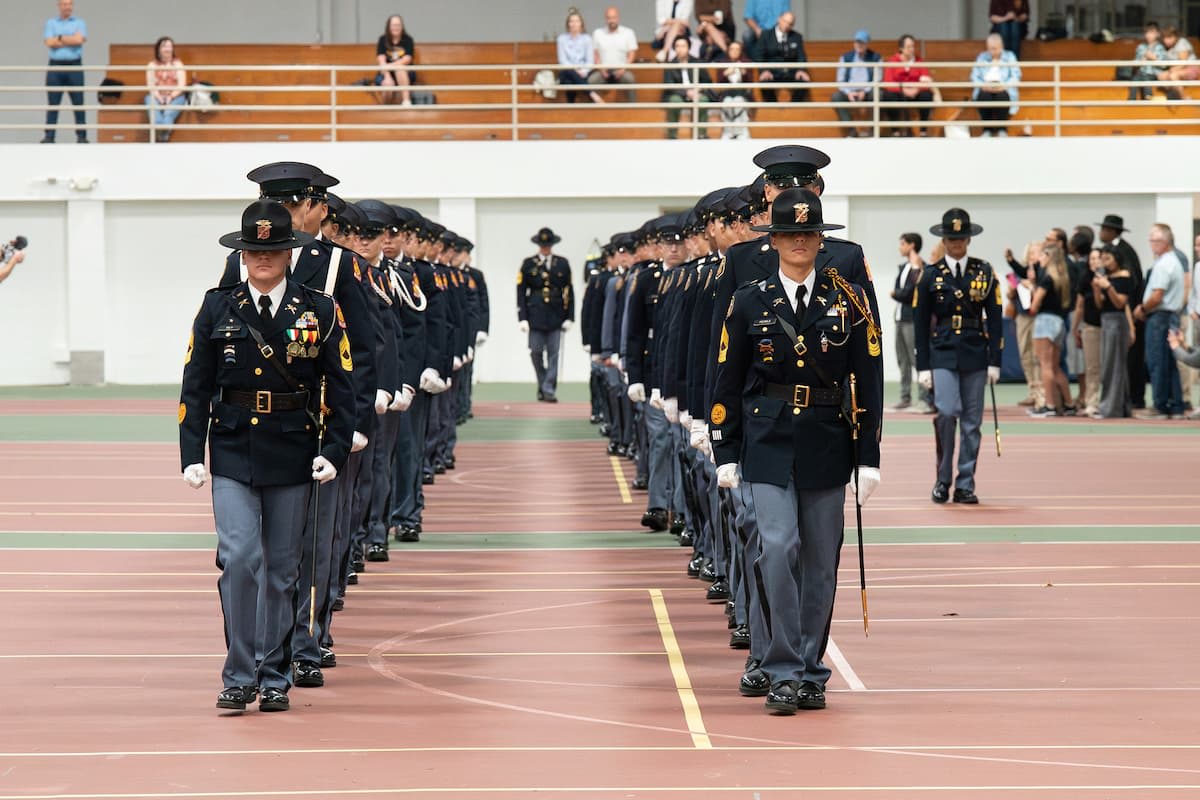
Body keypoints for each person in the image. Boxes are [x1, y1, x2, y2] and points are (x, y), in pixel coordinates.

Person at [710, 187, 882, 714]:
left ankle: (810, 669)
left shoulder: (849, 299)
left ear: (819, 239)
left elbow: (869, 380)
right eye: (790, 233)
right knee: (778, 547)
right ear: (775, 239)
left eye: (808, 233)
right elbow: (727, 378)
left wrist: (869, 456)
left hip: (827, 440)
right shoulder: (749, 299)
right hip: (767, 440)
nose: (799, 241)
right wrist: (724, 449)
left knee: (821, 563)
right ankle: (781, 667)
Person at [179, 200, 355, 713]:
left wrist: (334, 450)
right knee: (239, 559)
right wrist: (191, 451)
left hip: (293, 450)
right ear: (242, 254)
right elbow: (195, 384)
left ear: (288, 254)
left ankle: (273, 675)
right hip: (232, 449)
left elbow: (342, 387)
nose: (263, 258)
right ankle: (239, 673)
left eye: (273, 250)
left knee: (281, 570)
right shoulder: (217, 307)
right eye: (254, 250)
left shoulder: (319, 310)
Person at [915, 208, 1002, 505]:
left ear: (969, 239)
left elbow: (996, 319)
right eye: (951, 238)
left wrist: (995, 361)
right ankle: (942, 479)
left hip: (976, 352)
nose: (956, 243)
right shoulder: (930, 274)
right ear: (944, 240)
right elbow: (920, 323)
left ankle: (965, 483)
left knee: (972, 422)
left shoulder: (984, 271)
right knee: (947, 412)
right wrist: (922, 366)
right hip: (942, 352)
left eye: (961, 237)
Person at [1133, 223, 1186, 419]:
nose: (1151, 244)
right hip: (1170, 315)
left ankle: (1160, 405)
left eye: (1154, 240)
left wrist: (1142, 308)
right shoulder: (1173, 261)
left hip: (1160, 316)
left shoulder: (1164, 264)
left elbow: (1157, 296)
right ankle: (1175, 405)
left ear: (1164, 242)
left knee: (1158, 362)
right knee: (1169, 363)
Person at [517, 227, 574, 402]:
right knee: (535, 352)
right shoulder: (528, 264)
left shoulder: (562, 263)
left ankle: (548, 389)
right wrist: (522, 318)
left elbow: (569, 291)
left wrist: (570, 317)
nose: (545, 248)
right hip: (535, 315)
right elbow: (521, 292)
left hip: (556, 315)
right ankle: (543, 383)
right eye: (543, 245)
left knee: (554, 354)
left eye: (548, 245)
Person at [1096, 214, 1145, 408]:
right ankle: (1124, 400)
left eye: (1104, 229)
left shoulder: (1124, 252)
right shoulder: (1117, 250)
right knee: (1117, 361)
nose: (1101, 233)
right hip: (1118, 311)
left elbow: (1131, 285)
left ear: (1112, 232)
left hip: (1125, 312)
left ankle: (1132, 399)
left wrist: (1131, 317)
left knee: (1125, 360)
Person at [1027, 245, 1075, 416]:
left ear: (1048, 257)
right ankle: (1069, 404)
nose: (1039, 258)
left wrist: (1032, 287)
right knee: (1055, 366)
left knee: (1045, 365)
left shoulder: (1047, 279)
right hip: (1058, 322)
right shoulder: (1062, 279)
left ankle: (1050, 405)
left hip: (1045, 321)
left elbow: (1035, 304)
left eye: (1042, 255)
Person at [1092, 245, 1134, 418]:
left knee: (1113, 366)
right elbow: (1099, 304)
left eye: (1108, 259)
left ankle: (1110, 408)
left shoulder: (1124, 277)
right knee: (1111, 364)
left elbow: (1120, 303)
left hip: (1117, 322)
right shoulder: (1106, 277)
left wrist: (1108, 287)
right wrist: (1097, 288)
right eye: (1103, 259)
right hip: (1106, 320)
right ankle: (1121, 406)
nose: (1105, 263)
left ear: (1117, 259)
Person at [891, 232, 929, 411]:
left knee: (916, 359)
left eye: (903, 244)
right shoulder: (904, 267)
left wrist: (896, 294)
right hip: (900, 318)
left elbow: (909, 293)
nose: (900, 248)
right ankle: (905, 397)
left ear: (912, 245)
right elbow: (902, 291)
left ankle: (925, 398)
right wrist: (899, 293)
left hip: (911, 319)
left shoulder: (920, 267)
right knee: (903, 360)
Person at [42, 0, 88, 144]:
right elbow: (49, 42)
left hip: (74, 65)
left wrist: (60, 37)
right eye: (64, 4)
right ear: (59, 6)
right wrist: (70, 38)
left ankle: (82, 137)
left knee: (78, 102)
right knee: (53, 103)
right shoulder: (51, 23)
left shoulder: (79, 22)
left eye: (70, 4)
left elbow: (79, 40)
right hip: (55, 66)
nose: (67, 7)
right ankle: (49, 137)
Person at [1072, 246, 1104, 416]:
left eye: (1097, 258)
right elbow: (1079, 306)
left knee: (1108, 366)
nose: (1094, 262)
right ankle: (1092, 401)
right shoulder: (1085, 278)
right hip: (1091, 327)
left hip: (1108, 327)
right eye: (1091, 259)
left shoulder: (1109, 278)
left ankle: (1109, 401)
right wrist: (1075, 327)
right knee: (1092, 367)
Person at [881, 34, 934, 136]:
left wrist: (917, 89)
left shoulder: (919, 61)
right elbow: (888, 82)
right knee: (888, 96)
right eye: (909, 47)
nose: (912, 49)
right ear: (901, 48)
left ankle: (923, 131)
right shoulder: (893, 61)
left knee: (927, 96)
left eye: (913, 46)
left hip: (916, 92)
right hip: (899, 92)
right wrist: (902, 89)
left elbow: (926, 79)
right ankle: (895, 131)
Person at [662, 36, 715, 138]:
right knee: (674, 101)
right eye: (677, 46)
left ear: (688, 48)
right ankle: (672, 135)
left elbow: (707, 81)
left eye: (683, 46)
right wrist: (686, 92)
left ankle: (701, 134)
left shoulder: (697, 62)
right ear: (674, 48)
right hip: (678, 94)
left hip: (696, 92)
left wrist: (697, 90)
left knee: (703, 100)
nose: (680, 49)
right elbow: (669, 85)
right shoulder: (670, 65)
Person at [751, 11, 810, 103]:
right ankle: (773, 107)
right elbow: (759, 55)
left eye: (790, 24)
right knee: (765, 82)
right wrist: (764, 70)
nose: (787, 25)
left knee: (803, 82)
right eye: (785, 21)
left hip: (791, 72)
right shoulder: (766, 35)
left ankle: (793, 107)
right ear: (779, 19)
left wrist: (801, 70)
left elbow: (801, 56)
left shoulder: (797, 36)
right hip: (772, 72)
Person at [831, 29, 881, 137]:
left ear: (867, 44)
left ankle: (872, 131)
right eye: (857, 42)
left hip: (868, 91)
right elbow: (840, 80)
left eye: (862, 42)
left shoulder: (875, 57)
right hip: (850, 92)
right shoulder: (845, 57)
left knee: (878, 94)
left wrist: (865, 91)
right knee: (836, 97)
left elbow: (878, 79)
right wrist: (848, 92)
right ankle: (851, 130)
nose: (859, 45)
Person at [971, 33, 1020, 137]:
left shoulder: (1010, 56)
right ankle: (987, 130)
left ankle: (1002, 130)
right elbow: (974, 76)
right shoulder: (982, 57)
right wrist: (983, 85)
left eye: (994, 48)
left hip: (1004, 88)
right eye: (989, 48)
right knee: (984, 96)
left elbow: (1016, 76)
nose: (992, 51)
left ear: (1001, 46)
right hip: (985, 88)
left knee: (1002, 96)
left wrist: (1004, 86)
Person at [588, 6, 638, 103]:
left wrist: (623, 69)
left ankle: (633, 107)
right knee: (591, 81)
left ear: (618, 18)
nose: (611, 20)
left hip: (622, 70)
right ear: (605, 19)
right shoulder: (597, 33)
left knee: (630, 79)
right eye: (609, 18)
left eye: (614, 17)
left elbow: (632, 54)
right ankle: (594, 109)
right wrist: (601, 69)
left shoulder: (628, 32)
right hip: (603, 70)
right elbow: (595, 54)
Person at [144, 36, 188, 143]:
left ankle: (162, 135)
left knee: (169, 111)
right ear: (158, 49)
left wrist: (171, 96)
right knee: (150, 101)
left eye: (170, 46)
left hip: (176, 96)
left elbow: (182, 85)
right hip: (157, 95)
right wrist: (159, 97)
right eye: (164, 46)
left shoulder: (178, 64)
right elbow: (151, 85)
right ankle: (161, 129)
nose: (168, 49)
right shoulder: (152, 65)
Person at [557, 9, 601, 103]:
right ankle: (592, 94)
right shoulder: (561, 39)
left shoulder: (587, 39)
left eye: (577, 21)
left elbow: (590, 61)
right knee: (568, 72)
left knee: (570, 81)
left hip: (583, 72)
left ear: (581, 24)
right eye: (571, 21)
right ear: (568, 24)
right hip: (566, 71)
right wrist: (575, 70)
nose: (574, 24)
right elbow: (562, 60)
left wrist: (583, 71)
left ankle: (571, 107)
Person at [375, 15, 416, 105]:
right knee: (387, 85)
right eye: (393, 25)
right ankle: (386, 108)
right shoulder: (383, 39)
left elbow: (407, 59)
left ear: (402, 26)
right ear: (389, 27)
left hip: (405, 73)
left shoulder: (408, 40)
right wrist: (387, 76)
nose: (396, 28)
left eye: (398, 25)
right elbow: (381, 60)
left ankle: (406, 101)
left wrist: (390, 66)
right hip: (386, 72)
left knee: (400, 68)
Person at [1127, 22, 1167, 101]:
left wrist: (1154, 58)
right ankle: (1132, 99)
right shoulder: (1141, 47)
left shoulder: (1160, 47)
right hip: (1141, 72)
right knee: (1135, 78)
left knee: (1144, 76)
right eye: (1146, 32)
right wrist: (1141, 61)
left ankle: (1148, 96)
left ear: (1158, 34)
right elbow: (1135, 63)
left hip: (1154, 73)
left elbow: (1164, 65)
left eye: (1151, 32)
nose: (1148, 35)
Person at [1157, 26, 1198, 100]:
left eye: (1169, 37)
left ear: (1175, 36)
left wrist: (1172, 69)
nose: (1167, 40)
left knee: (1173, 75)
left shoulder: (1181, 42)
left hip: (1191, 68)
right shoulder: (1166, 47)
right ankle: (1173, 95)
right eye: (1165, 38)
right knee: (1161, 76)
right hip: (1178, 69)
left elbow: (1184, 63)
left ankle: (1183, 98)